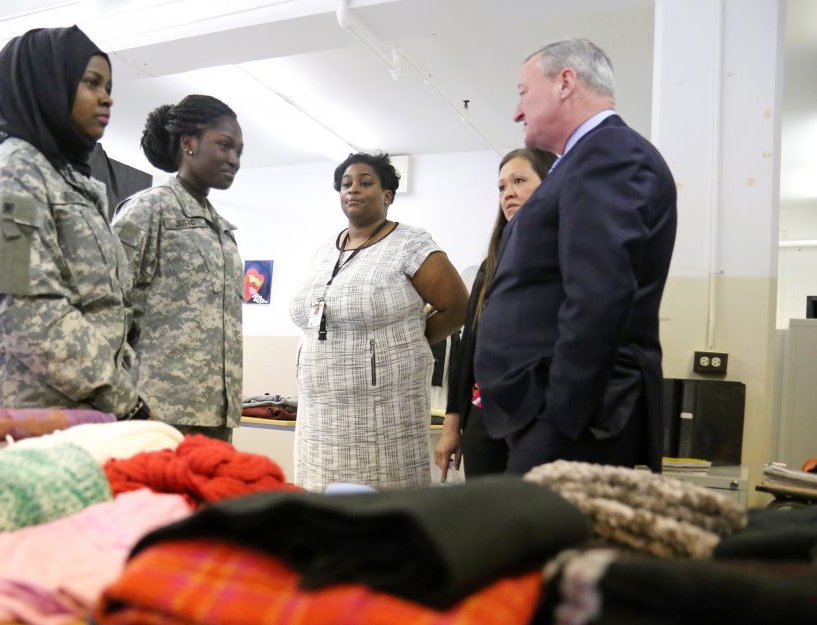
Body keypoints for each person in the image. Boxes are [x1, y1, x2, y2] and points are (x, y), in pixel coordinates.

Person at [0, 25, 145, 625]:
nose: (106, 99)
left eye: (109, 85)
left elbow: (107, 308)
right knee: (23, 619)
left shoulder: (69, 179)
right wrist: (123, 391)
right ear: (43, 87)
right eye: (90, 83)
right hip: (22, 425)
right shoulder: (9, 176)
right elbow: (28, 316)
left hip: (74, 422)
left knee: (63, 609)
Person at [474, 38, 677, 475]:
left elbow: (599, 296)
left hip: (576, 423)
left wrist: (559, 420)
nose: (517, 111)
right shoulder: (580, 162)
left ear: (565, 82)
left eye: (523, 92)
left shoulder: (610, 153)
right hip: (548, 414)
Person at [290, 152, 468, 492]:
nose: (353, 189)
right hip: (318, 411)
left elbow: (456, 307)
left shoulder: (410, 244)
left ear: (388, 195)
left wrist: (407, 341)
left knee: (382, 503)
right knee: (319, 501)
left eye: (365, 182)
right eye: (346, 184)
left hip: (382, 411)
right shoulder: (326, 248)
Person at [112, 95, 243, 442]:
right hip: (156, 411)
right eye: (225, 146)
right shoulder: (149, 210)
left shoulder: (222, 230)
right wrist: (123, 400)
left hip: (217, 412)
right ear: (189, 144)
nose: (234, 159)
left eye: (239, 151)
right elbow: (107, 307)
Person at [433, 147, 556, 482]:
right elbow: (469, 343)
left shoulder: (567, 254)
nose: (508, 193)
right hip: (484, 413)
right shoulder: (493, 262)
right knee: (487, 518)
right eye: (502, 187)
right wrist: (452, 424)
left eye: (519, 181)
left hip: (539, 412)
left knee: (531, 519)